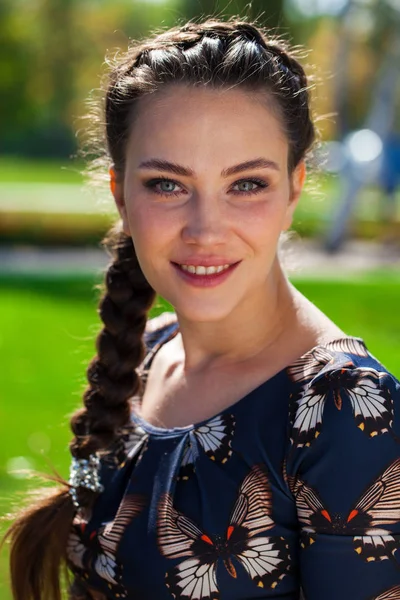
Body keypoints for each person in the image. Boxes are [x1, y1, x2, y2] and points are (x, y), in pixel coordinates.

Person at [4, 17, 400, 600]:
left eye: (246, 185)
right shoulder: (149, 353)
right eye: (167, 184)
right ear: (118, 191)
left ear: (294, 189)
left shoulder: (341, 413)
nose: (205, 231)